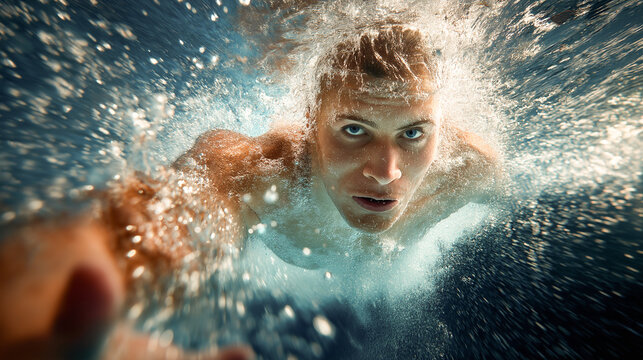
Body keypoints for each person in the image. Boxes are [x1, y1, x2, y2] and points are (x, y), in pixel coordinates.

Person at [0, 25, 500, 358]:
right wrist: (38, 315)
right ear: (310, 121)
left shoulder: (468, 169)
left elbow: (516, 195)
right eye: (354, 129)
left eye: (413, 133)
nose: (388, 172)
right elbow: (148, 223)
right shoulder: (258, 172)